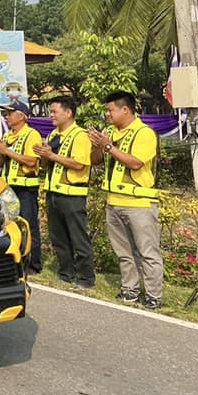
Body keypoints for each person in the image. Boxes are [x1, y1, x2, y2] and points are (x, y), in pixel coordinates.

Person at [88, 90, 162, 309]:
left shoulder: (144, 133)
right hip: (114, 202)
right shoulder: (109, 133)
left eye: (110, 110)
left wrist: (108, 146)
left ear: (125, 109)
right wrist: (98, 145)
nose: (107, 114)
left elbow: (136, 163)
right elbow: (95, 161)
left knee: (148, 252)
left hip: (139, 203)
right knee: (124, 252)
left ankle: (154, 295)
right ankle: (130, 290)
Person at [34, 96, 94, 289]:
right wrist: (44, 155)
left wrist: (51, 155)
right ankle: (66, 272)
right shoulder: (53, 134)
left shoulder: (80, 135)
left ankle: (86, 277)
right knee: (58, 236)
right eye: (50, 112)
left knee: (78, 237)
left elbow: (79, 163)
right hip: (53, 191)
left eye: (54, 112)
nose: (51, 115)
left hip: (72, 194)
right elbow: (46, 163)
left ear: (68, 113)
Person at [0, 103, 43, 274]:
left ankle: (34, 264)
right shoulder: (7, 136)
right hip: (8, 188)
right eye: (6, 113)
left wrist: (6, 151)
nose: (7, 116)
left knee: (28, 225)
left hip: (25, 188)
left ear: (22, 116)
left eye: (11, 113)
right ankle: (15, 260)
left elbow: (32, 161)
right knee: (9, 224)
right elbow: (0, 163)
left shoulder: (31, 134)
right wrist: (0, 151)